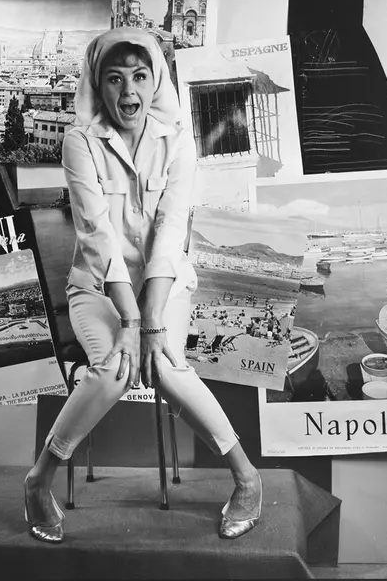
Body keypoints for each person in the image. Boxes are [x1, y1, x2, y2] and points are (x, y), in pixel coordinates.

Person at [24, 28, 262, 544]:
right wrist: (129, 321)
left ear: (155, 81)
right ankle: (38, 480)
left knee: (167, 366)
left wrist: (150, 321)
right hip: (97, 288)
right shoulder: (79, 141)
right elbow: (96, 235)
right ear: (97, 84)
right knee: (115, 368)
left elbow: (171, 232)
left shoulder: (178, 139)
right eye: (114, 78)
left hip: (164, 286)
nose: (128, 90)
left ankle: (247, 478)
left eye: (139, 76)